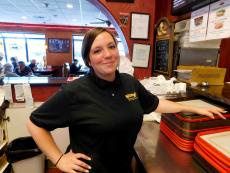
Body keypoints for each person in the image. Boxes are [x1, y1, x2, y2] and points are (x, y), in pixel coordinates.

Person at [27, 28, 226, 173]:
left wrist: (193, 108)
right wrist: (59, 158)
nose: (107, 54)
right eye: (97, 50)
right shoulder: (75, 91)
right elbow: (35, 123)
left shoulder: (129, 83)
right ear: (88, 60)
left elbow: (154, 104)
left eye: (111, 47)